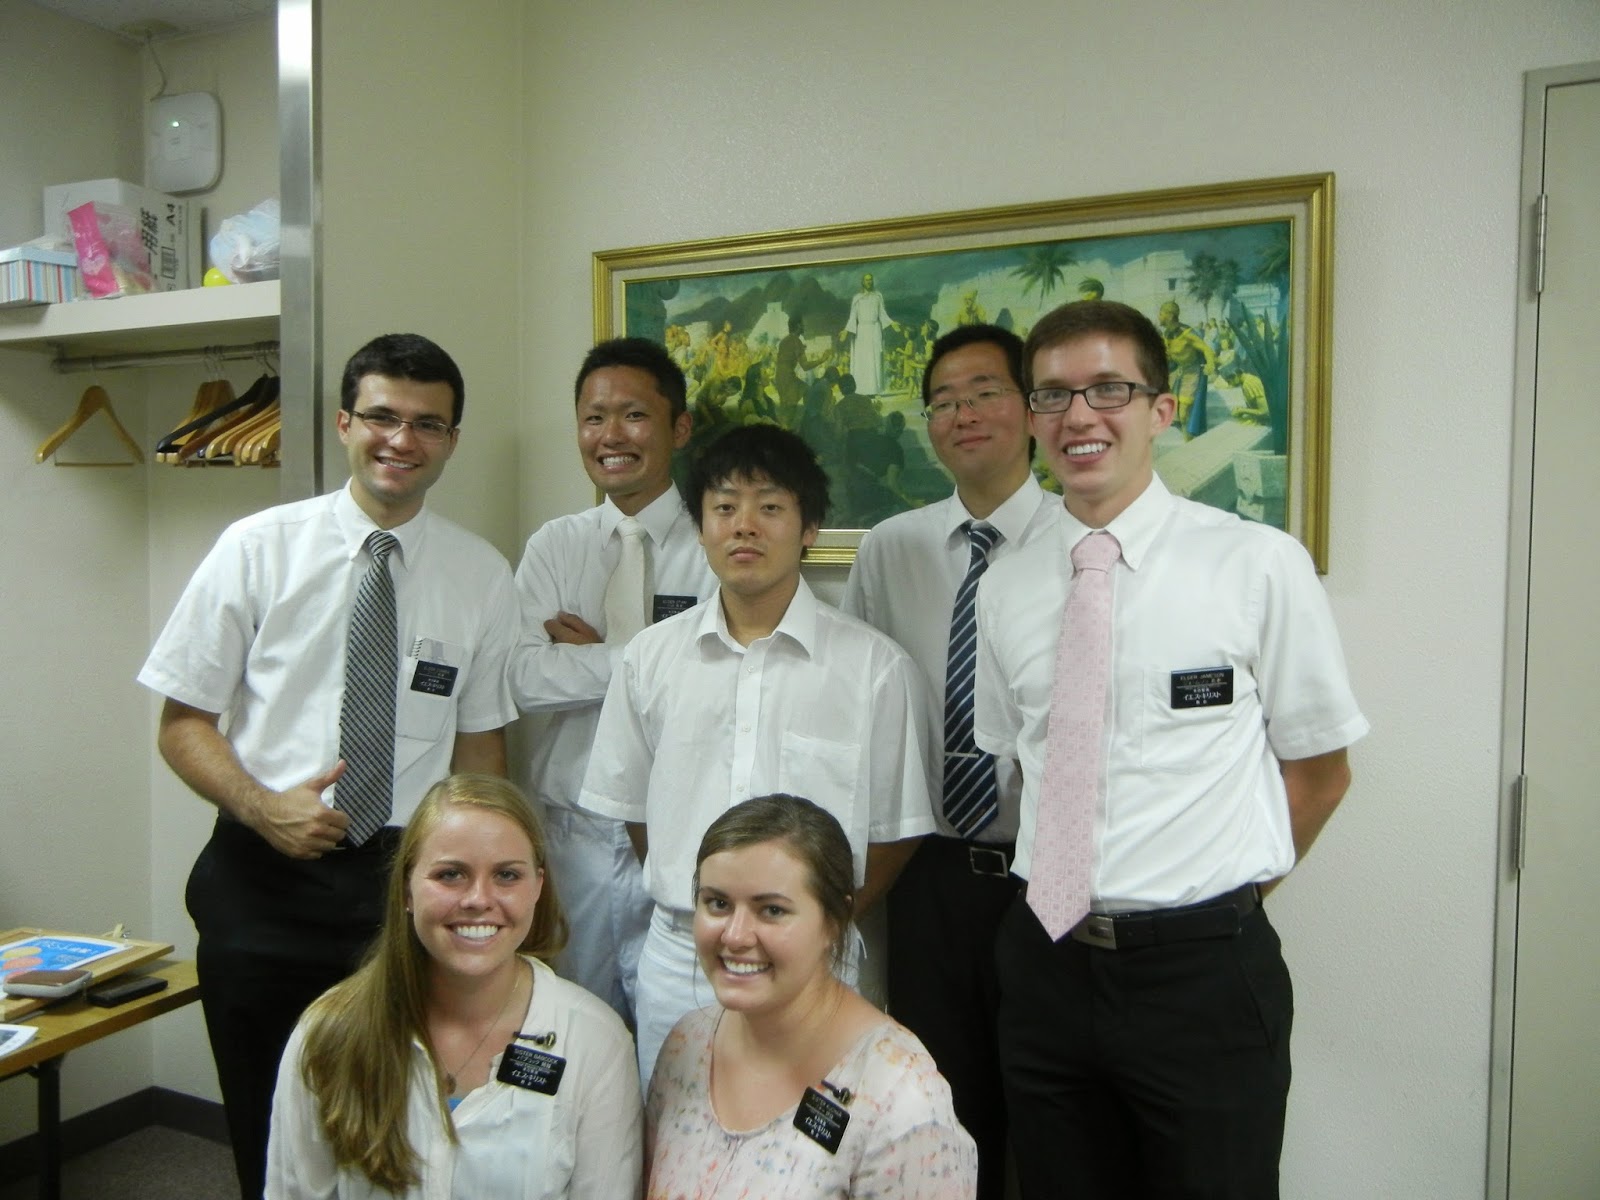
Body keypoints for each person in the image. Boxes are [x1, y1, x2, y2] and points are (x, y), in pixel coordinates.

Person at [974, 300, 1368, 1198]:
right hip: (1045, 966)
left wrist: (1219, 900)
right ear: (1033, 418)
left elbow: (1320, 770)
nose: (1079, 415)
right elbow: (1025, 761)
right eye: (1053, 394)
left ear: (1162, 408)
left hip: (1202, 976)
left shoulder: (1257, 563)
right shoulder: (1006, 586)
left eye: (1108, 389)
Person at [138, 333, 519, 1200]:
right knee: (270, 1122)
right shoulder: (256, 547)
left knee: (404, 1119)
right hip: (263, 876)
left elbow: (481, 747)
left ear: (452, 440)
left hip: (404, 886)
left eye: (427, 424)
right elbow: (183, 724)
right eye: (382, 417)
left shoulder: (481, 574)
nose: (401, 440)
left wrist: (487, 880)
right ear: (345, 423)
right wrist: (260, 804)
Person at [579, 423, 936, 1083]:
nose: (744, 525)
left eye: (770, 506)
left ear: (809, 528)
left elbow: (896, 830)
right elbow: (637, 811)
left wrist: (815, 923)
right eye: (724, 507)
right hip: (681, 958)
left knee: (817, 1135)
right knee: (677, 1132)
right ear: (701, 527)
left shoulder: (874, 669)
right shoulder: (650, 659)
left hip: (819, 956)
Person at [841, 323, 1058, 1200]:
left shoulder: (1080, 540)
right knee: (943, 1105)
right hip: (929, 872)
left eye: (984, 393)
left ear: (1032, 409)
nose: (962, 414)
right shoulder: (890, 547)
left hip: (1048, 869)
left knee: (1051, 1107)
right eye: (942, 401)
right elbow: (862, 702)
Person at [266, 774, 642, 1199]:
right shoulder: (328, 1032)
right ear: (406, 889)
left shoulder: (595, 1041)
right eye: (450, 875)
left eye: (506, 875)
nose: (478, 899)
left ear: (538, 886)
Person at [509, 338, 716, 1025]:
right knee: (572, 1027)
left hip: (685, 830)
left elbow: (718, 677)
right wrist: (645, 655)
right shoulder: (555, 544)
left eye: (633, 415)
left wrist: (592, 656)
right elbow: (522, 677)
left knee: (685, 1036)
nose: (611, 436)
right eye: (594, 418)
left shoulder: (717, 539)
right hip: (574, 834)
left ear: (678, 428)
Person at [645, 794, 976, 1199]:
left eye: (772, 910)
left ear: (834, 922)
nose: (735, 935)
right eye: (718, 904)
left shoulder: (901, 1096)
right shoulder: (688, 1045)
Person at [1157, 299, 1216, 439]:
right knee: (1175, 413)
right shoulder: (1167, 334)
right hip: (1178, 373)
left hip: (1192, 373)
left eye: (1161, 314)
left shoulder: (1187, 333)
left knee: (1184, 413)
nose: (1159, 317)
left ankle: (1190, 444)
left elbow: (1206, 349)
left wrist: (1210, 364)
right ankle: (1187, 441)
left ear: (1170, 316)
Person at [840, 273, 900, 395]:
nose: (869, 282)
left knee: (874, 358)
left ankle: (874, 390)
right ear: (863, 282)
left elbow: (882, 313)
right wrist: (846, 330)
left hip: (874, 330)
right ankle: (862, 390)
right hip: (861, 332)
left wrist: (892, 323)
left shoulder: (878, 296)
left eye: (870, 279)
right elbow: (852, 317)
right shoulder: (857, 298)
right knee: (863, 360)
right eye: (867, 280)